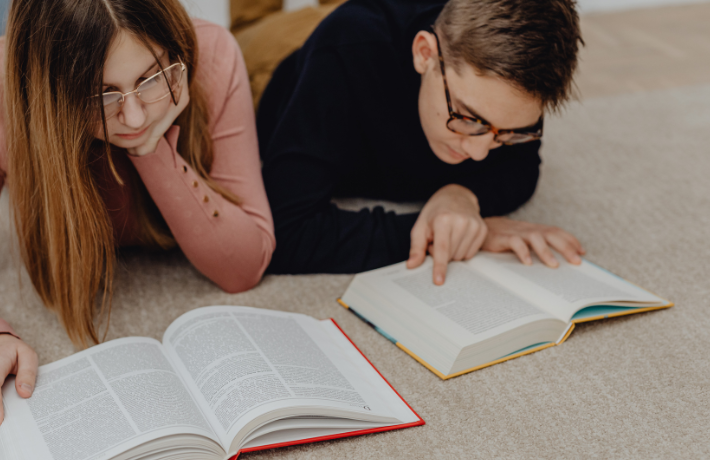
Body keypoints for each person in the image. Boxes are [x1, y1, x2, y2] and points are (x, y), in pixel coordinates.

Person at [0, 0, 274, 442]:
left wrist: (150, 149)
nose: (134, 116)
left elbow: (243, 266)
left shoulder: (210, 53)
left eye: (149, 77)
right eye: (102, 94)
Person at [233, 0, 586, 284]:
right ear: (425, 54)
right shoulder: (345, 51)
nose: (478, 154)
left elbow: (522, 170)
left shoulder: (514, 87)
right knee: (254, 31)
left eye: (508, 133)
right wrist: (451, 234)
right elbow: (287, 233)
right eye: (467, 118)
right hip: (274, 59)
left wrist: (460, 196)